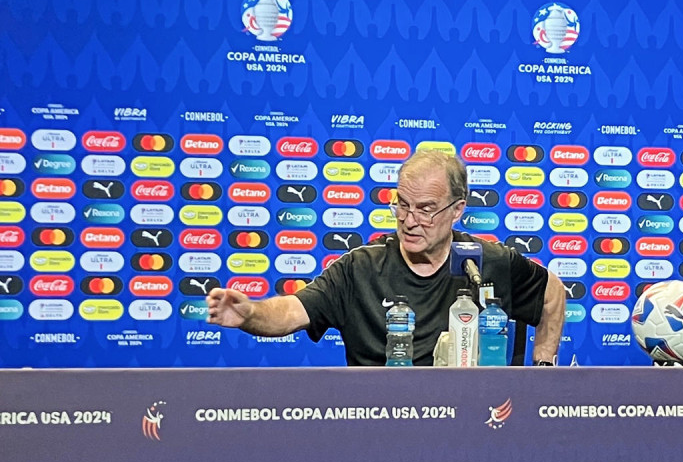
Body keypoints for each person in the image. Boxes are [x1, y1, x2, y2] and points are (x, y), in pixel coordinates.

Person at [207, 150, 565, 365]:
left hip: (468, 429)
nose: (409, 221)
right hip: (377, 427)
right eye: (402, 205)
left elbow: (553, 294)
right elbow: (289, 313)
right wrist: (251, 313)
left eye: (425, 210)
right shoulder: (360, 268)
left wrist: (544, 365)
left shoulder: (484, 262)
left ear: (457, 211)